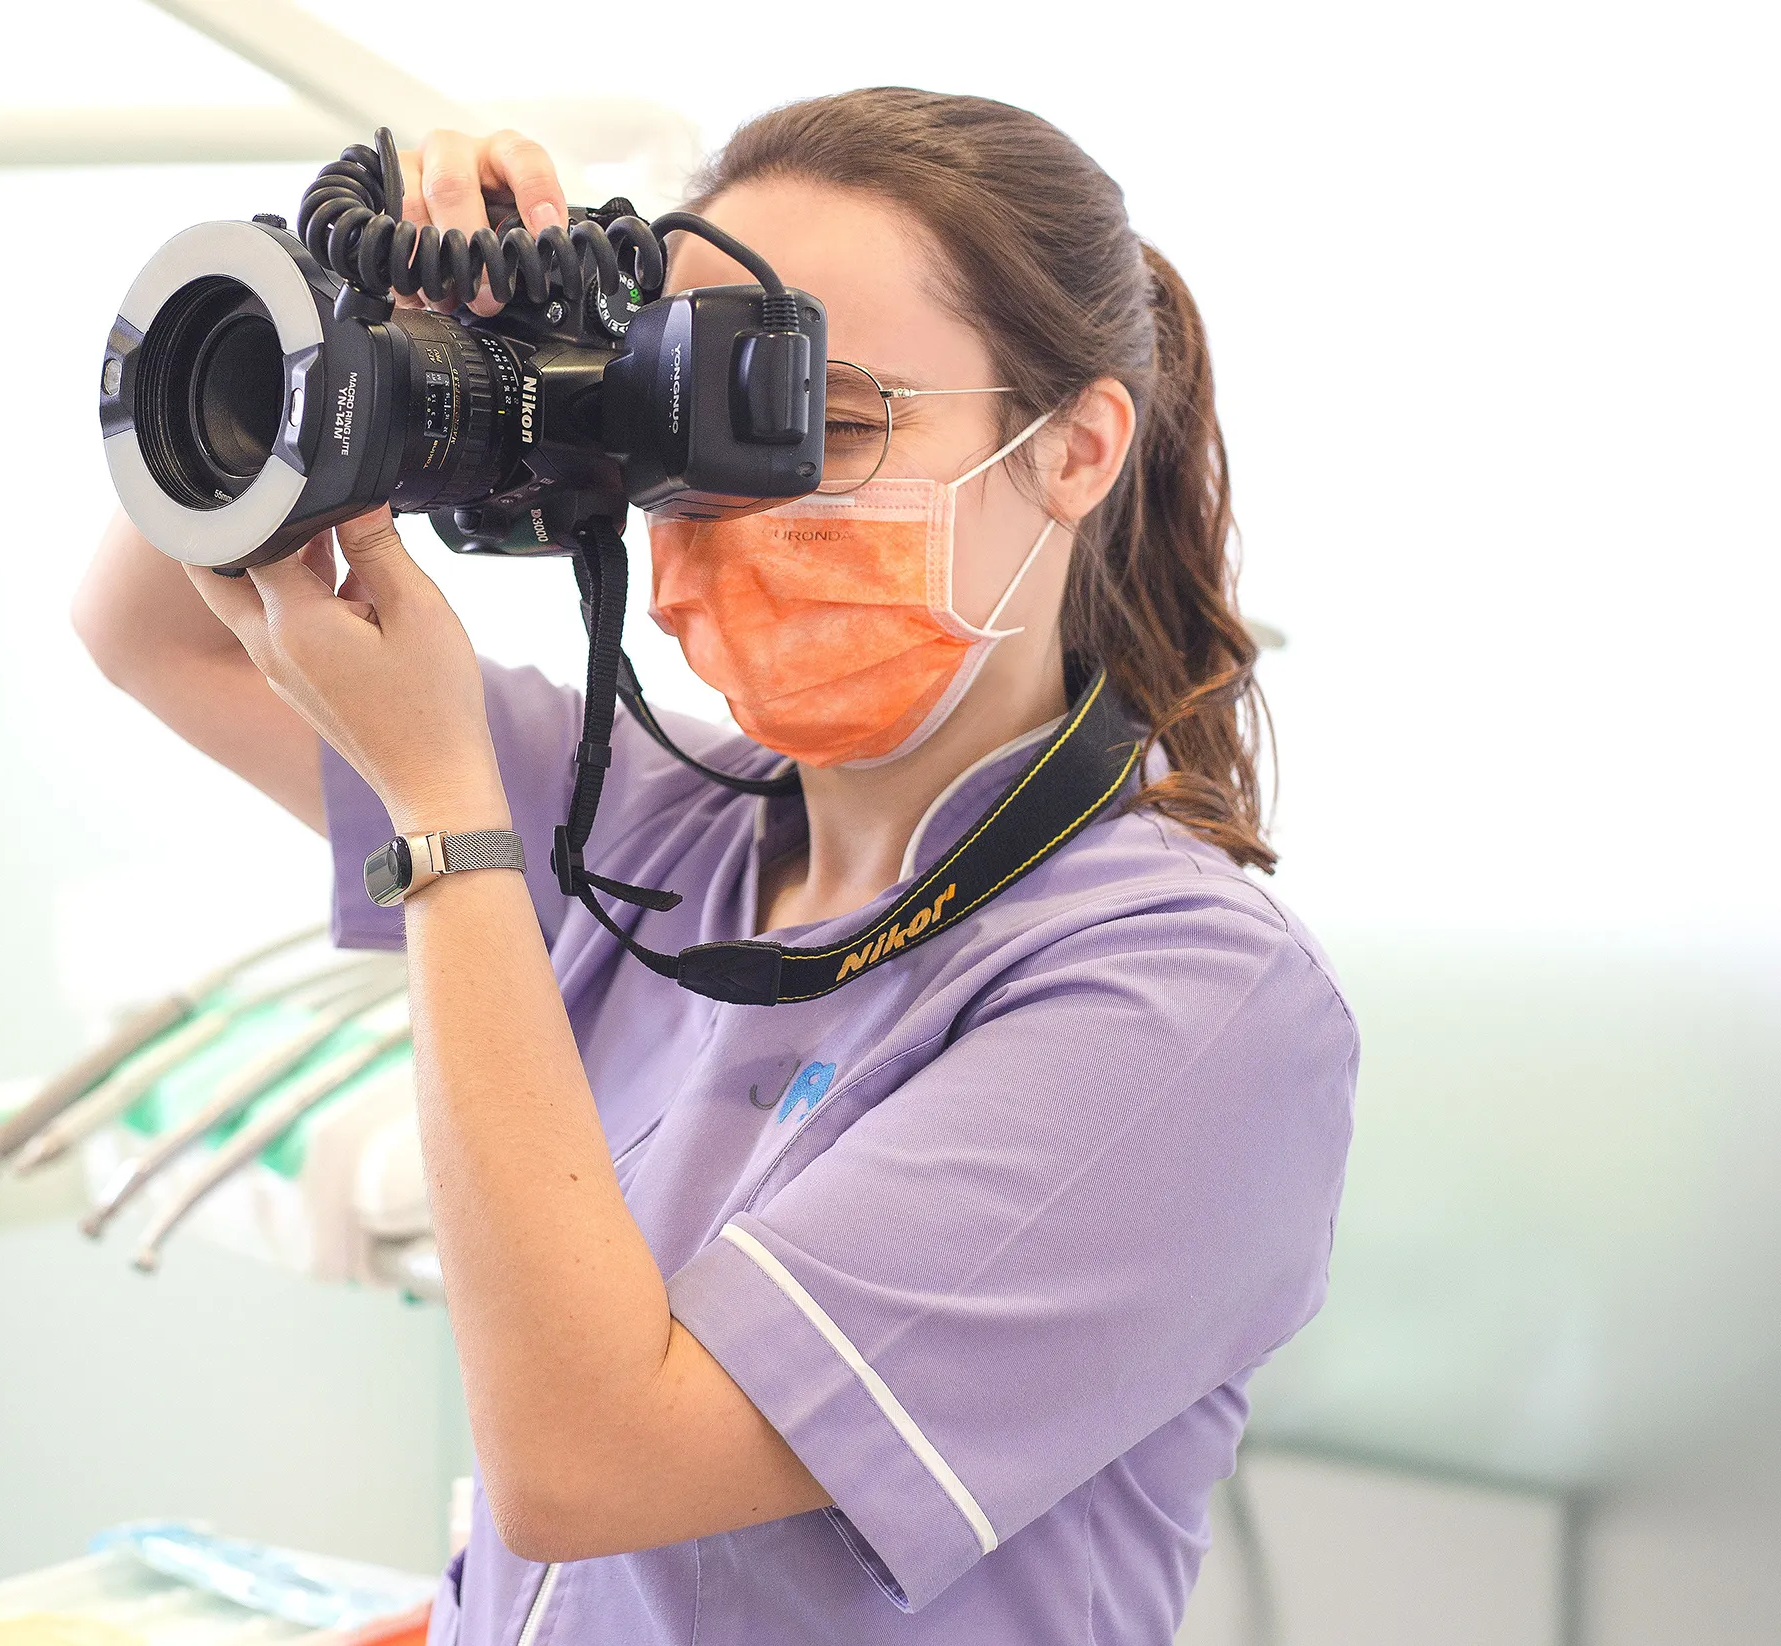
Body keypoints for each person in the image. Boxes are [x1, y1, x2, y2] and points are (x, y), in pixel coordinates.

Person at [72, 87, 1356, 1646]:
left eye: (837, 418)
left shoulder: (1191, 1005)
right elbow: (145, 622)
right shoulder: (657, 821)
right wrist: (357, 305)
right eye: (703, 413)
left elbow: (588, 1464)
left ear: (1076, 448)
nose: (750, 494)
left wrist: (446, 828)